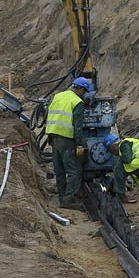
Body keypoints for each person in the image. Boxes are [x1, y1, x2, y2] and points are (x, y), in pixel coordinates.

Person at [45, 77, 91, 210]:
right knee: (74, 171)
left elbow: (49, 115)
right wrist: (79, 144)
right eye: (84, 91)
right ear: (80, 89)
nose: (84, 94)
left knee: (59, 170)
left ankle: (61, 197)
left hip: (54, 137)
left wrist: (49, 135)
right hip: (67, 139)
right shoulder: (77, 102)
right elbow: (77, 127)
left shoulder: (58, 96)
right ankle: (68, 200)